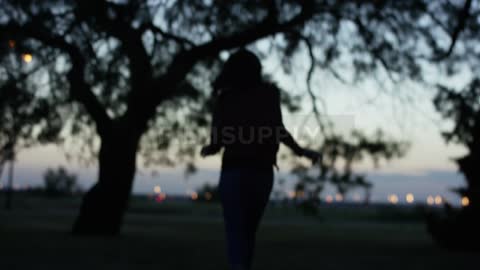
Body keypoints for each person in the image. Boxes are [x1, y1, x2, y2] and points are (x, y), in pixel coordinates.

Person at [201, 49, 319, 270]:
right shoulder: (268, 94)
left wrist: (212, 147)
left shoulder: (225, 98)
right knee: (248, 232)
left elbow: (218, 139)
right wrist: (301, 152)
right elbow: (278, 129)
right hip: (261, 172)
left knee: (236, 232)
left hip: (234, 171)